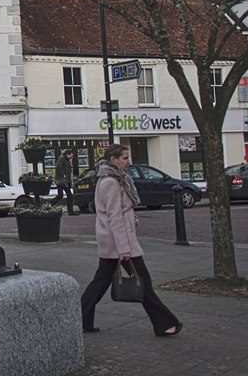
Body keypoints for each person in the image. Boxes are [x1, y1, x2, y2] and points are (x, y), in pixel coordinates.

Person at [80, 144, 183, 337]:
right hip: (119, 243)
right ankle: (165, 323)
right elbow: (114, 216)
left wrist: (132, 218)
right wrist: (123, 248)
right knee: (143, 282)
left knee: (100, 283)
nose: (129, 162)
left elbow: (120, 211)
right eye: (125, 158)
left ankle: (80, 318)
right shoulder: (111, 181)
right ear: (113, 160)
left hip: (114, 241)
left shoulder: (114, 179)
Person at [51, 149, 78, 215]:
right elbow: (58, 167)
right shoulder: (61, 158)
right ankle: (50, 205)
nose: (72, 156)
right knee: (61, 195)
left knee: (69, 196)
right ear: (68, 154)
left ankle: (70, 211)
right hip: (61, 180)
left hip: (66, 181)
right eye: (71, 155)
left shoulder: (67, 160)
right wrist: (63, 175)